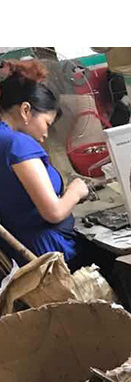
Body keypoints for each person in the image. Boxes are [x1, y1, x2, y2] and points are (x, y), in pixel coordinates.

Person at [0, 59, 105, 272]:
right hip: (48, 256)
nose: (45, 134)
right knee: (113, 262)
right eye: (46, 123)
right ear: (26, 110)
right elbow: (53, 212)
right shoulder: (17, 144)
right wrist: (76, 191)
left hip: (19, 251)